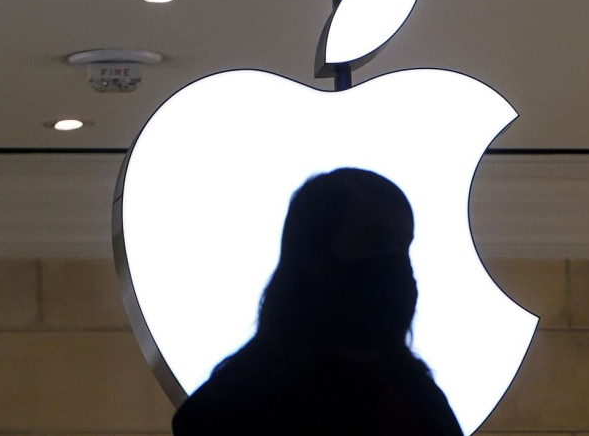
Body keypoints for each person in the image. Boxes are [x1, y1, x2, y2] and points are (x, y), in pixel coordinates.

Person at [172, 168, 463, 435]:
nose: (394, 262)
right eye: (374, 242)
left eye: (403, 246)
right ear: (314, 257)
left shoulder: (419, 394)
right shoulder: (232, 404)